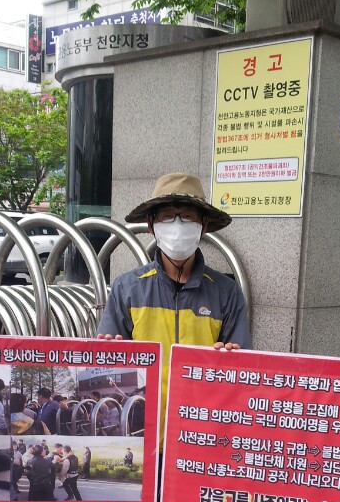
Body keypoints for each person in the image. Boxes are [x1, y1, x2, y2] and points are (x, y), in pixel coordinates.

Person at [97, 173, 252, 431]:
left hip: (200, 431)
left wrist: (231, 359)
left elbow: (243, 370)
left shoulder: (226, 292)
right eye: (167, 216)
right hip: (143, 432)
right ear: (151, 224)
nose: (178, 225)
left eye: (188, 217)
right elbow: (107, 362)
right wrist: (108, 354)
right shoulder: (127, 288)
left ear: (203, 225)